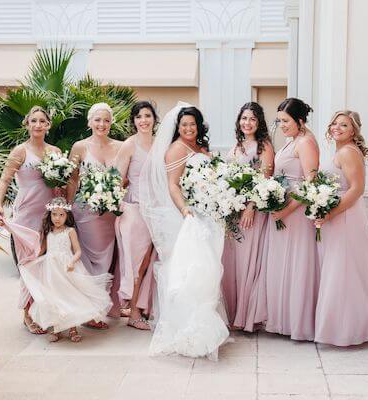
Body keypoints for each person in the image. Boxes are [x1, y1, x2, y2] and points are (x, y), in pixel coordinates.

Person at [140, 103, 229, 359]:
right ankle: (187, 327)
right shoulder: (176, 149)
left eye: (192, 124)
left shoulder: (200, 147)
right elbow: (173, 185)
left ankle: (205, 325)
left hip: (209, 215)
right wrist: (186, 211)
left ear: (199, 126)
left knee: (210, 270)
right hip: (189, 217)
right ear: (177, 128)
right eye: (184, 125)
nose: (189, 128)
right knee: (193, 270)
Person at [314, 110, 368, 346]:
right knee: (341, 270)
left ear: (353, 131)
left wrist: (328, 213)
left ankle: (347, 330)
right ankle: (344, 326)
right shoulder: (341, 151)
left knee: (342, 270)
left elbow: (356, 189)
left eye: (344, 125)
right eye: (335, 124)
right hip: (339, 216)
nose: (337, 128)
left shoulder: (348, 152)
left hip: (345, 217)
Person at [0, 105, 60, 335]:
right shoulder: (20, 151)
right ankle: (27, 315)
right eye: (34, 121)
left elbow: (60, 184)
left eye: (42, 121)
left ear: (48, 125)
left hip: (49, 216)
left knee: (46, 265)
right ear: (28, 124)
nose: (38, 125)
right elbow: (4, 180)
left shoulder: (56, 152)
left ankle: (46, 312)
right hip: (25, 216)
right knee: (28, 265)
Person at [261, 97, 320, 339]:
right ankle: (282, 320)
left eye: (285, 121)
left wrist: (285, 210)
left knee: (296, 265)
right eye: (279, 121)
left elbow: (310, 183)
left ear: (300, 120)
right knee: (281, 264)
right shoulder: (291, 141)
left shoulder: (305, 143)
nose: (282, 125)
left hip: (295, 214)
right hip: (281, 208)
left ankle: (298, 322)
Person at [15, 197, 113, 343]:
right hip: (51, 270)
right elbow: (42, 251)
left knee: (70, 296)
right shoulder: (48, 231)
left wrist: (72, 261)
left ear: (67, 216)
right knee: (54, 297)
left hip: (67, 269)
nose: (57, 218)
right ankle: (56, 329)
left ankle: (73, 329)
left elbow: (78, 251)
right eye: (54, 214)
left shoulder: (70, 231)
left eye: (61, 215)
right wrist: (30, 261)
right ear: (50, 215)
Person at [67, 102, 123, 329]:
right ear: (89, 122)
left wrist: (114, 193)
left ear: (111, 123)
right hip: (85, 211)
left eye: (107, 120)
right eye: (98, 120)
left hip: (111, 213)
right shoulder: (79, 147)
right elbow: (72, 178)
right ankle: (90, 310)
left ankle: (102, 306)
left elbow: (125, 178)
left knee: (109, 260)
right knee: (90, 261)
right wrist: (69, 208)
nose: (102, 124)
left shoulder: (121, 146)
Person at [221, 102, 274, 332]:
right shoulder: (237, 145)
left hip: (251, 212)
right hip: (233, 211)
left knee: (247, 262)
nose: (247, 123)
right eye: (244, 118)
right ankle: (232, 313)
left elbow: (264, 179)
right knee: (231, 262)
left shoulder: (264, 147)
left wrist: (251, 206)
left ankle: (246, 316)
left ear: (259, 122)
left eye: (252, 119)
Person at [114, 101, 159, 330]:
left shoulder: (161, 143)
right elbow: (118, 179)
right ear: (133, 121)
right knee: (135, 263)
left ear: (154, 118)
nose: (144, 120)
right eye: (139, 116)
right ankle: (132, 312)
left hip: (156, 209)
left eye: (148, 115)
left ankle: (142, 306)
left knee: (149, 261)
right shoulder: (129, 145)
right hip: (134, 209)